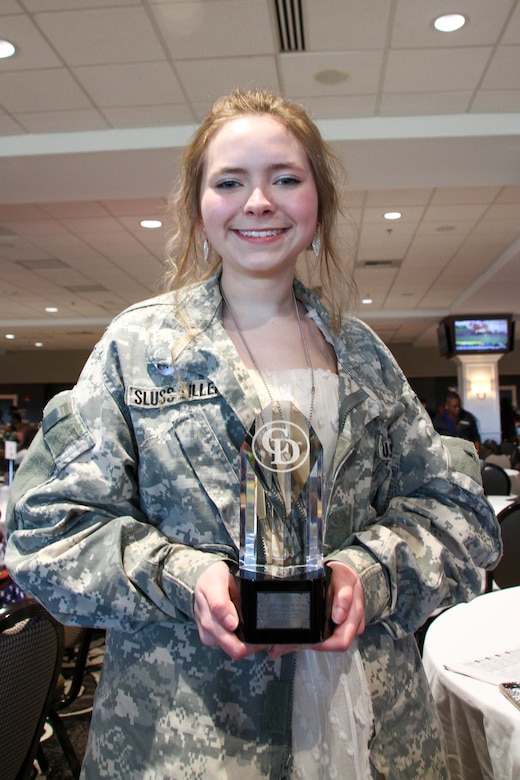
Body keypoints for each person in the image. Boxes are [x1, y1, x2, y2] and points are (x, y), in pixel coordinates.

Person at [5, 89, 500, 780]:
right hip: (189, 740)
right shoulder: (140, 350)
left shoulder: (364, 359)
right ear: (197, 205)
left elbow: (454, 513)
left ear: (317, 202)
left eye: (286, 179)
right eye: (230, 181)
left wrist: (367, 574)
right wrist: (183, 577)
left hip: (371, 729)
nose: (259, 201)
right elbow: (44, 528)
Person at [433, 388, 481, 455]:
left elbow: (476, 439)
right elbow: (434, 441)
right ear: (447, 406)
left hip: (466, 454)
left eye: (459, 406)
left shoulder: (468, 417)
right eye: (454, 407)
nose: (457, 409)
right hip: (447, 456)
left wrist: (477, 456)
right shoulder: (439, 420)